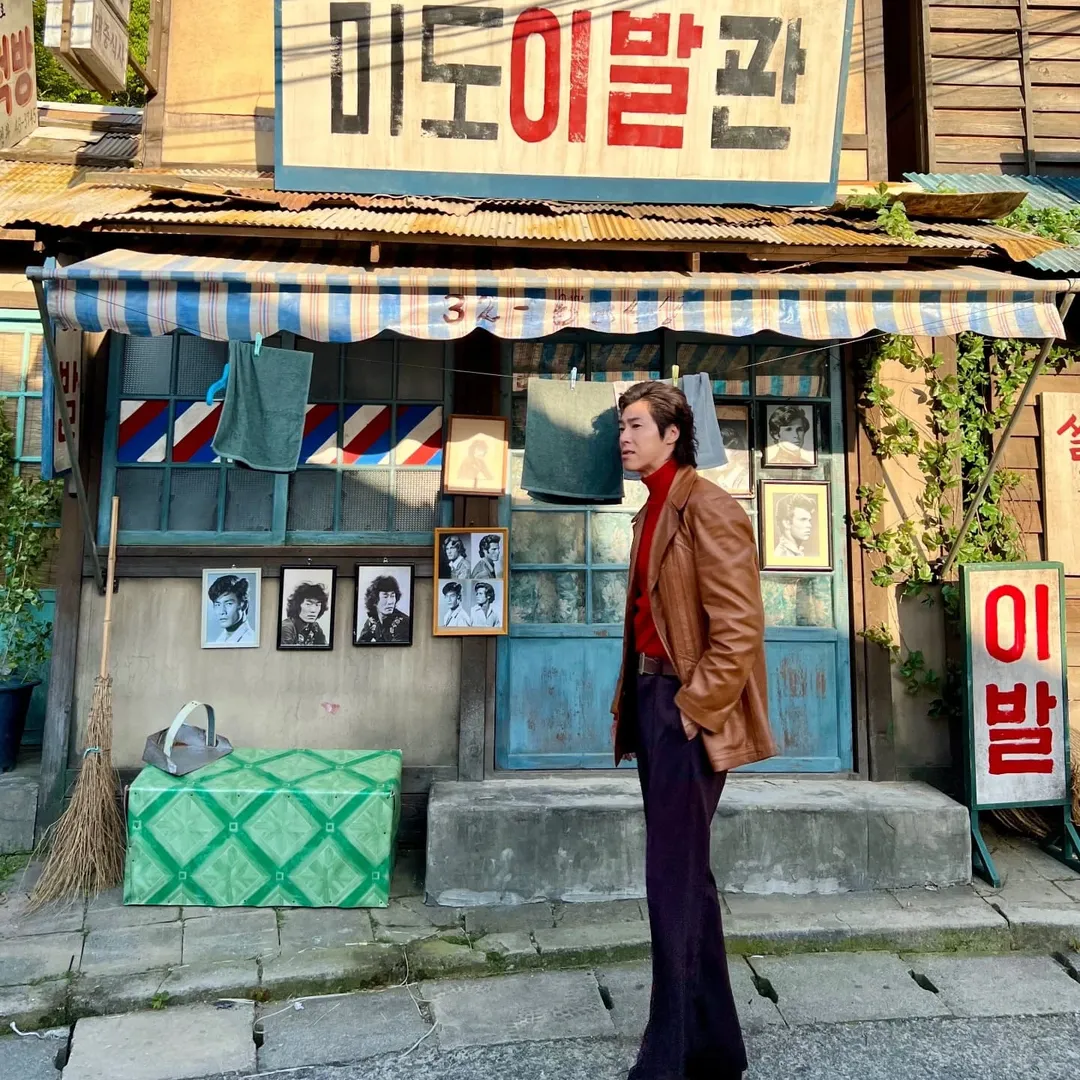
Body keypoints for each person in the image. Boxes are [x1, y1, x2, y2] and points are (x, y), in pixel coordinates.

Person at [612, 381, 776, 1080]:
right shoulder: (651, 508)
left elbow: (739, 626)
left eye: (635, 425)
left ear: (672, 433)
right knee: (686, 880)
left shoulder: (707, 506)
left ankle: (668, 1060)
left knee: (670, 885)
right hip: (653, 700)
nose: (624, 437)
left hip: (686, 709)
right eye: (621, 426)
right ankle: (714, 1050)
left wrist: (693, 709)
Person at [358, 575, 411, 644]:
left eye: (392, 596)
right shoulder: (372, 621)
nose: (390, 602)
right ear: (374, 601)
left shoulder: (403, 623)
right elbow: (360, 644)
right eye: (385, 597)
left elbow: (396, 649)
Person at [208, 574, 255, 645]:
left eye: (229, 604)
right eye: (218, 604)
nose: (222, 611)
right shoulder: (220, 639)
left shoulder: (250, 640)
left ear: (244, 605)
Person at [280, 581, 330, 646]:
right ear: (297, 605)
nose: (313, 610)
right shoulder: (286, 628)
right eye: (308, 604)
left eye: (317, 605)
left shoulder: (315, 627)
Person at [773, 493, 816, 559]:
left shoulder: (795, 553)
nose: (809, 525)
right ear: (786, 523)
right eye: (803, 520)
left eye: (809, 520)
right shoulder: (782, 556)